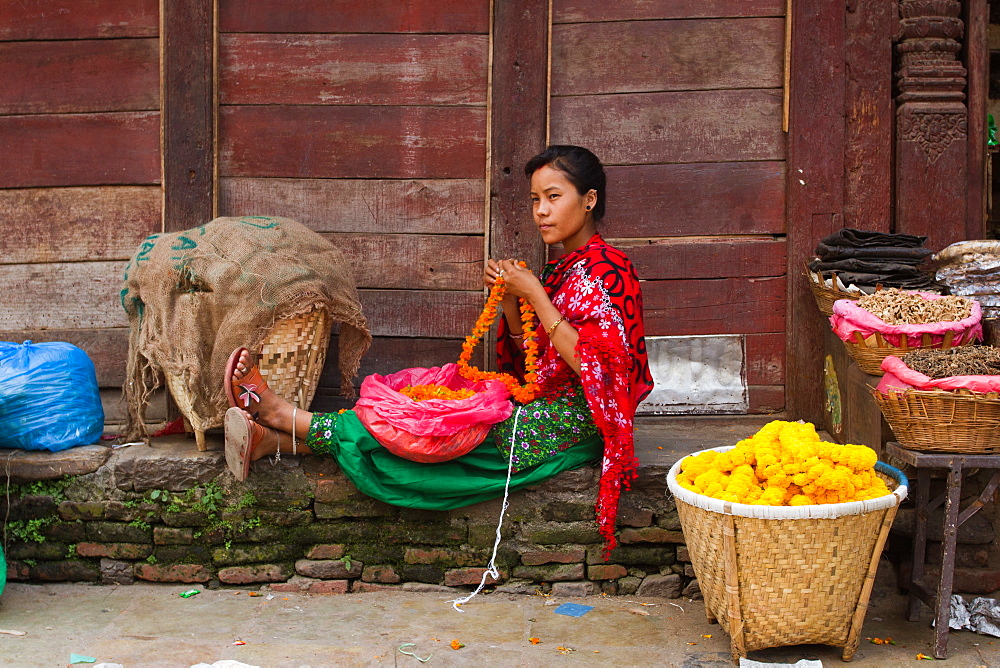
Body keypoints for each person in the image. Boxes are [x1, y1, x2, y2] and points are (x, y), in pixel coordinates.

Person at [224, 144, 653, 554]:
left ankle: (284, 416)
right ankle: (272, 441)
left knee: (436, 433)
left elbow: (596, 368)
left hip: (575, 424)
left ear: (590, 199)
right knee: (421, 406)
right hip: (539, 404)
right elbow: (534, 367)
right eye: (535, 199)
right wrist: (509, 304)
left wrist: (536, 297)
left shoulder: (610, 269)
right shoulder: (559, 268)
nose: (541, 210)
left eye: (553, 197)